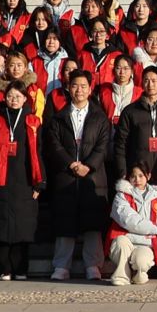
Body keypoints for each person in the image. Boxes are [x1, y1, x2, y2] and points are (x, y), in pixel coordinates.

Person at [42, 69, 113, 282]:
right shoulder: (58, 118)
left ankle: (93, 265)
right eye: (74, 85)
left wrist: (88, 166)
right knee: (65, 222)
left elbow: (103, 146)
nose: (79, 90)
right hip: (66, 176)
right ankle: (61, 265)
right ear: (68, 88)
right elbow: (53, 145)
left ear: (90, 89)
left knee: (93, 223)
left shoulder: (100, 118)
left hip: (93, 178)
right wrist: (71, 164)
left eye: (83, 86)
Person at [0, 80, 44, 280]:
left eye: (18, 96)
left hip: (25, 179)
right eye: (10, 96)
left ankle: (20, 268)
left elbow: (39, 152)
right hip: (0, 178)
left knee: (22, 226)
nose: (13, 100)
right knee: (1, 226)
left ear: (25, 99)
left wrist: (39, 182)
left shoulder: (33, 122)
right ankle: (5, 268)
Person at [106, 162, 157, 286]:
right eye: (133, 176)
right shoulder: (121, 195)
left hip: (145, 244)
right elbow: (130, 221)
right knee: (121, 243)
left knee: (141, 262)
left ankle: (139, 273)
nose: (137, 180)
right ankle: (122, 275)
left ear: (148, 176)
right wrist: (155, 229)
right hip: (126, 239)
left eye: (141, 176)